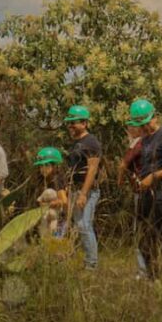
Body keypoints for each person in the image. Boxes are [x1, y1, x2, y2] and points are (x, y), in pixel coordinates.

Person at [126, 98, 162, 278]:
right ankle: (151, 274)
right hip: (145, 195)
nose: (142, 128)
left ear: (154, 118)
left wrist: (154, 176)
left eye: (144, 123)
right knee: (145, 236)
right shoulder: (144, 139)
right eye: (139, 125)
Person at [64, 105, 102, 270]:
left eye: (74, 122)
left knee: (85, 225)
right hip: (74, 189)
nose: (70, 126)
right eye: (69, 123)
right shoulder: (76, 143)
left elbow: (92, 169)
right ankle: (86, 260)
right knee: (78, 226)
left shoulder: (91, 142)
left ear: (85, 123)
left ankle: (91, 265)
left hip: (87, 191)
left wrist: (83, 194)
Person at [118, 124, 148, 278]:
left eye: (129, 129)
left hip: (141, 191)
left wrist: (119, 182)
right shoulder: (149, 142)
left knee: (139, 231)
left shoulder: (137, 143)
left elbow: (123, 165)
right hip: (151, 190)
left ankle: (143, 271)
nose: (127, 132)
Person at [34, 147, 69, 237]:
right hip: (47, 217)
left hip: (60, 218)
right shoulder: (43, 180)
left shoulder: (57, 180)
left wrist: (52, 203)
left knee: (56, 243)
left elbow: (64, 201)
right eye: (41, 166)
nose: (43, 169)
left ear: (54, 166)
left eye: (47, 165)